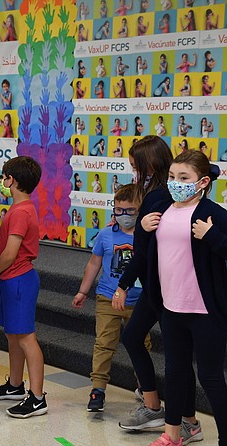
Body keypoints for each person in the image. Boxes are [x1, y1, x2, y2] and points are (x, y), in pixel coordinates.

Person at [115, 137, 200, 439]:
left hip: (174, 290)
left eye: (136, 161)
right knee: (133, 336)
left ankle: (188, 420)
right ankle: (153, 406)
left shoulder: (167, 196)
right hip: (155, 286)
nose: (133, 167)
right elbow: (143, 248)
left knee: (178, 358)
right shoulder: (151, 194)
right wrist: (124, 283)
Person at [142, 151, 224, 446]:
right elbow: (152, 255)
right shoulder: (162, 210)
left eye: (184, 178)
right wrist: (143, 229)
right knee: (175, 372)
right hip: (171, 308)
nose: (175, 183)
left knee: (211, 377)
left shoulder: (212, 214)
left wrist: (212, 236)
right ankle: (172, 434)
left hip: (204, 311)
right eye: (172, 177)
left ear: (202, 182)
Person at [72, 184, 149, 412]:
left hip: (140, 301)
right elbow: (94, 263)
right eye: (118, 210)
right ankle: (98, 389)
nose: (123, 216)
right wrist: (83, 291)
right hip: (107, 298)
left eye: (130, 211)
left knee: (142, 345)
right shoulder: (106, 234)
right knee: (104, 343)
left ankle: (145, 387)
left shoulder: (148, 235)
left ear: (141, 211)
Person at [0, 156, 47, 418]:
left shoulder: (21, 211)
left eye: (4, 176)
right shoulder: (19, 208)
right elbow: (3, 250)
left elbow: (10, 253)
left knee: (26, 338)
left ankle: (37, 397)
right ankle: (14, 385)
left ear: (13, 180)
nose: (3, 180)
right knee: (13, 335)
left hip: (19, 279)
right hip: (13, 279)